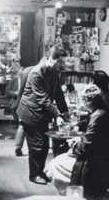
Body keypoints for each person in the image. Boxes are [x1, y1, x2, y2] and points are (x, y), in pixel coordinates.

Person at [46, 84, 109, 200]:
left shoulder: (98, 116)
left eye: (83, 100)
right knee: (59, 160)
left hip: (98, 164)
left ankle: (72, 196)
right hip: (105, 158)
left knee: (55, 164)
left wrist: (74, 144)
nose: (82, 104)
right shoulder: (102, 112)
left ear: (88, 101)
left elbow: (87, 146)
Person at [16, 45, 69, 185]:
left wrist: (65, 112)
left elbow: (58, 94)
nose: (63, 65)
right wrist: (57, 114)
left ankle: (40, 172)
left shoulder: (53, 72)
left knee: (44, 145)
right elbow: (43, 98)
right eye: (62, 62)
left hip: (41, 113)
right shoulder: (36, 73)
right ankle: (34, 175)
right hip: (30, 113)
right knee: (37, 145)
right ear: (54, 60)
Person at [11, 66, 34, 156]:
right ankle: (27, 148)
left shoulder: (25, 80)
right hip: (27, 104)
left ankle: (18, 147)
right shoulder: (33, 80)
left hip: (22, 103)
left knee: (22, 126)